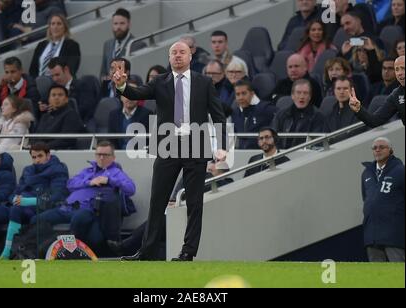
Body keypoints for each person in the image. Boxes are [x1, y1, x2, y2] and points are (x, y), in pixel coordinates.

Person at [114, 41, 228, 261]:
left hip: (196, 146)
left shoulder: (204, 82)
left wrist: (222, 146)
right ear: (169, 58)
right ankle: (146, 252)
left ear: (190, 57)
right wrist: (121, 86)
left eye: (182, 52)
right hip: (168, 147)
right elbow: (137, 94)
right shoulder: (159, 81)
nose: (177, 56)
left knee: (194, 203)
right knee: (157, 201)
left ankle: (188, 252)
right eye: (173, 52)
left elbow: (218, 116)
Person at [30, 141, 136, 253]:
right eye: (98, 154)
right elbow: (70, 184)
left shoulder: (116, 172)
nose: (101, 158)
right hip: (66, 207)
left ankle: (67, 250)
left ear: (113, 157)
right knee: (36, 219)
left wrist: (109, 180)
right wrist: (89, 182)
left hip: (88, 211)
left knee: (80, 217)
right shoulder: (87, 171)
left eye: (105, 155)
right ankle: (39, 251)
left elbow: (131, 189)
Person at [0, 143, 69, 259]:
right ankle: (8, 252)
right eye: (34, 157)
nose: (37, 160)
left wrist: (28, 201)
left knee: (16, 211)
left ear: (48, 155)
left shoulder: (58, 170)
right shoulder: (28, 170)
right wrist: (14, 199)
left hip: (43, 207)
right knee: (14, 210)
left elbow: (58, 196)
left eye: (40, 156)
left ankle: (8, 252)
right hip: (23, 207)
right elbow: (16, 190)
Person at [361, 137, 404, 262]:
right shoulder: (366, 173)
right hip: (372, 235)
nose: (378, 150)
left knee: (398, 274)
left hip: (394, 234)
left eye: (382, 147)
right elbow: (366, 199)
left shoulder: (401, 171)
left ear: (390, 150)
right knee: (376, 277)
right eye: (374, 148)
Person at [349, 56, 405, 126]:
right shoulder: (396, 95)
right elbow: (374, 121)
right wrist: (359, 110)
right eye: (397, 69)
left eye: (403, 68)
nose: (399, 73)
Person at [271, 79, 326, 148]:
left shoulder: (318, 117)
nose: (302, 97)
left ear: (310, 97)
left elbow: (316, 144)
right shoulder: (281, 115)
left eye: (305, 93)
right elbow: (272, 138)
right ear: (292, 95)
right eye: (298, 93)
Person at [99, 8, 146, 82]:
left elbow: (138, 74)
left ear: (129, 24)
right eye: (115, 24)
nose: (118, 27)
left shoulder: (138, 45)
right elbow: (103, 71)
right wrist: (104, 79)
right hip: (110, 89)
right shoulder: (107, 44)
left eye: (122, 23)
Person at [48, 57, 100, 123]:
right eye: (52, 76)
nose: (55, 79)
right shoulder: (53, 88)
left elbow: (85, 109)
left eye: (57, 75)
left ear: (66, 70)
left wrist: (61, 109)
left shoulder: (83, 85)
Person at [33, 85, 85, 149]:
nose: (56, 97)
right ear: (49, 99)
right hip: (42, 151)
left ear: (66, 99)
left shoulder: (71, 114)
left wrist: (43, 147)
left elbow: (67, 140)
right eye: (53, 95)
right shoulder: (45, 116)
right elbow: (36, 136)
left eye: (60, 95)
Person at [29, 14, 81, 78]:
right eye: (53, 24)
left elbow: (72, 68)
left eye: (59, 24)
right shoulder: (41, 45)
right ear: (49, 28)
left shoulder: (72, 45)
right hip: (40, 83)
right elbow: (32, 70)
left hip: (61, 82)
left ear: (65, 27)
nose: (55, 27)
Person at [231, 80, 277, 149]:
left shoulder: (265, 109)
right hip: (240, 154)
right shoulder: (235, 113)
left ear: (252, 94)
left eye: (244, 93)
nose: (241, 97)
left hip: (261, 153)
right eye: (238, 94)